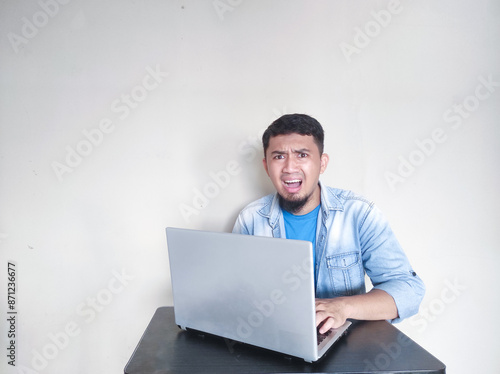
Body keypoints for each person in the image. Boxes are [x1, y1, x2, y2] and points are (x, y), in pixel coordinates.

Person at [232, 113, 425, 334]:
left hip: (345, 344)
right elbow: (239, 294)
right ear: (266, 166)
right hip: (274, 338)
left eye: (302, 155)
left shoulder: (359, 214)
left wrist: (343, 307)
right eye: (278, 157)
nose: (289, 167)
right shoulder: (250, 219)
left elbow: (409, 290)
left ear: (322, 163)